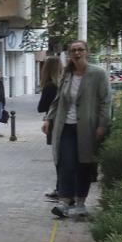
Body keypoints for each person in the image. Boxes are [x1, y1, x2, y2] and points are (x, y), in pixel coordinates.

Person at [42, 39, 111, 219]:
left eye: (80, 50)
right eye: (73, 50)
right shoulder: (67, 74)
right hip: (66, 126)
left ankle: (80, 203)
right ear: (69, 54)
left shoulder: (98, 74)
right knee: (66, 164)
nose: (77, 53)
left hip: (88, 128)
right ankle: (64, 202)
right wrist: (49, 118)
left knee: (84, 165)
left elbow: (105, 102)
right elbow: (58, 99)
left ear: (87, 52)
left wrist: (103, 124)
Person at [37, 56, 63, 199]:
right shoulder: (62, 83)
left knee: (58, 158)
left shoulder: (49, 86)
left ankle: (61, 189)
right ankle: (61, 188)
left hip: (53, 123)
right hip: (63, 122)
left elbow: (41, 107)